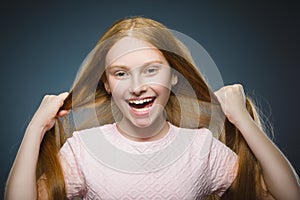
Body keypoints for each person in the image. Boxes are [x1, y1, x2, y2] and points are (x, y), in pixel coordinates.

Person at [5, 16, 300, 200]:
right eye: (121, 73)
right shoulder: (83, 149)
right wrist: (35, 128)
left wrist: (243, 121)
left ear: (174, 76)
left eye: (151, 70)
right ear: (106, 83)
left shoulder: (201, 147)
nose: (136, 86)